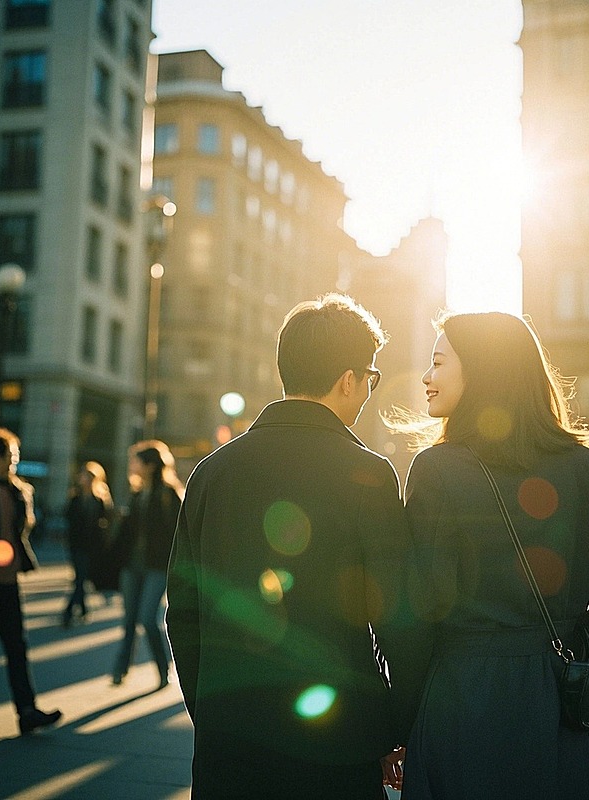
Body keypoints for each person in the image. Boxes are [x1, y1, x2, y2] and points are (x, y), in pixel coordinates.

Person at [166, 294, 427, 800]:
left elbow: (183, 611)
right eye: (371, 378)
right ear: (348, 379)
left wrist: (212, 711)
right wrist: (393, 729)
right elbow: (398, 619)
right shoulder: (369, 474)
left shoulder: (210, 473)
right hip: (337, 745)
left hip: (228, 747)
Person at [392, 312, 589, 799]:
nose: (426, 377)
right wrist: (560, 623)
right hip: (554, 698)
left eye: (439, 363)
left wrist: (400, 722)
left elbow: (421, 608)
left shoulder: (437, 469)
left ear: (482, 372)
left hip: (461, 700)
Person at [0, 427, 62, 735]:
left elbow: (21, 531)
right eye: (11, 454)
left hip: (6, 582)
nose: (15, 460)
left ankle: (27, 711)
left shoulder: (15, 490)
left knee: (17, 648)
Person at [111, 440, 182, 688]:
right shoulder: (136, 493)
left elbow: (177, 533)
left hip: (157, 566)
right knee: (129, 618)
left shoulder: (168, 495)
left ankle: (164, 669)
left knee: (147, 617)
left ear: (150, 466)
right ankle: (120, 668)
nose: (133, 466)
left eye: (137, 461)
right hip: (132, 565)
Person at [61, 461, 113, 628]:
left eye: (89, 477)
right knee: (80, 579)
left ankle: (80, 610)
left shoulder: (100, 499)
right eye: (83, 476)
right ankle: (70, 613)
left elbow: (107, 521)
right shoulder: (75, 498)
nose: (85, 480)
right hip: (77, 546)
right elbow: (69, 520)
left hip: (93, 547)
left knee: (81, 580)